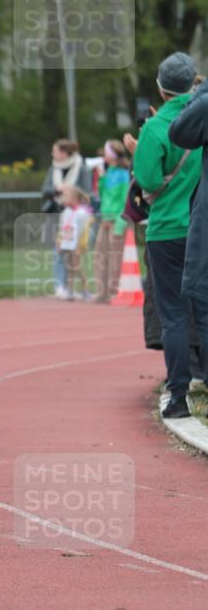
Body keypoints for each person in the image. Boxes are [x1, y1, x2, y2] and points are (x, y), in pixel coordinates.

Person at [130, 51, 203, 418]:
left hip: (166, 231)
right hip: (200, 227)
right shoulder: (202, 121)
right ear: (194, 84)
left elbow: (148, 180)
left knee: (173, 314)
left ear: (160, 89)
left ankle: (178, 397)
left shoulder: (155, 130)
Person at [168, 76, 208, 389]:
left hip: (176, 225)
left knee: (196, 302)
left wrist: (201, 92)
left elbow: (180, 132)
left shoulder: (204, 104)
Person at [41, 139, 92, 298]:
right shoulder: (53, 168)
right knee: (58, 250)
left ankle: (78, 289)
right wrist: (57, 189)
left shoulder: (81, 167)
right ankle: (60, 286)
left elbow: (87, 191)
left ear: (64, 153)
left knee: (74, 256)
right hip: (56, 213)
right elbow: (45, 189)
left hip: (75, 216)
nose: (53, 154)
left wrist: (72, 192)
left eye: (55, 151)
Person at [93, 140, 130, 302]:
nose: (103, 155)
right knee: (100, 256)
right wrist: (101, 179)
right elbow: (103, 196)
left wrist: (120, 225)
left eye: (106, 152)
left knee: (115, 258)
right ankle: (101, 292)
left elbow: (125, 200)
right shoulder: (109, 172)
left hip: (116, 222)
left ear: (113, 155)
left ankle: (113, 293)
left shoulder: (123, 174)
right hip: (105, 220)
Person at [57, 185, 93, 300]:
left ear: (74, 198)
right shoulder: (66, 212)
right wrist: (59, 241)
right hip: (67, 243)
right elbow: (62, 228)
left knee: (77, 267)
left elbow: (83, 232)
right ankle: (70, 291)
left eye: (66, 196)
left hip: (76, 245)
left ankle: (86, 289)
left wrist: (80, 246)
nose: (63, 199)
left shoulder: (81, 213)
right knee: (70, 267)